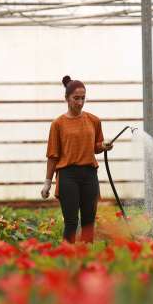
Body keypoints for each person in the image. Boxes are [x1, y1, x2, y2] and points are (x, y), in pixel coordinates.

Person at [41, 75, 113, 243]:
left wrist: (103, 146)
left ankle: (87, 260)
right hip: (68, 176)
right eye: (76, 98)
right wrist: (47, 182)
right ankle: (67, 259)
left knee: (88, 222)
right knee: (71, 222)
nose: (80, 102)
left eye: (83, 98)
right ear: (66, 98)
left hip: (89, 175)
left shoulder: (93, 120)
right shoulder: (58, 124)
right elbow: (53, 155)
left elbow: (95, 147)